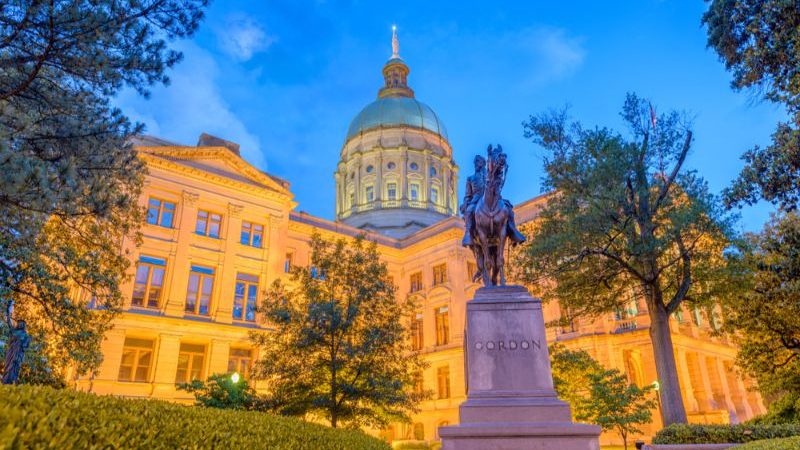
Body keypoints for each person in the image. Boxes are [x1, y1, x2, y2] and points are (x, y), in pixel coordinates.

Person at [2, 301, 30, 384]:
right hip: (11, 352)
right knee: (8, 366)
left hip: (17, 355)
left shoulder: (25, 335)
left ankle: (11, 381)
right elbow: (9, 322)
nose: (20, 324)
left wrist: (27, 340)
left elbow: (25, 346)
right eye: (19, 323)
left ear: (24, 325)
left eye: (22, 323)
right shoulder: (14, 331)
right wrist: (8, 309)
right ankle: (6, 381)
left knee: (14, 367)